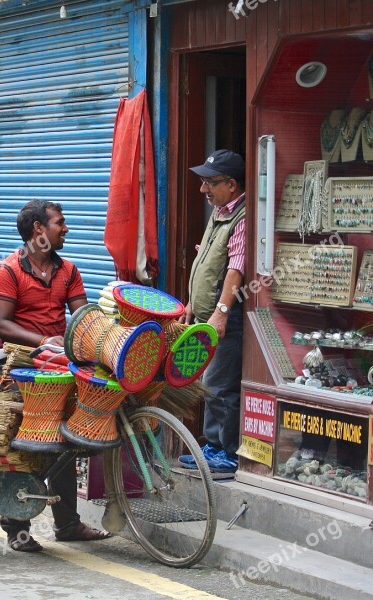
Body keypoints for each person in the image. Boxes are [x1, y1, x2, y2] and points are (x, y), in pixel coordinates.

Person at [0, 199, 111, 552]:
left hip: (58, 367)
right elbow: (1, 324)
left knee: (66, 442)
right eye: (60, 222)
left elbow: (83, 314)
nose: (66, 228)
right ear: (38, 230)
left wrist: (105, 337)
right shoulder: (7, 271)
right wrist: (44, 340)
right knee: (28, 446)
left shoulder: (69, 270)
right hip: (21, 369)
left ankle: (68, 524)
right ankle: (16, 526)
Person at [177, 149, 246, 474]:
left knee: (219, 386)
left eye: (210, 183)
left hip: (225, 319)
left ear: (231, 184)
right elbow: (207, 261)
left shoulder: (241, 218)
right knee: (208, 383)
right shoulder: (220, 212)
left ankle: (228, 452)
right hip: (206, 316)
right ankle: (213, 445)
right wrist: (192, 302)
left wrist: (220, 312)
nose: (203, 190)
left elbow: (235, 269)